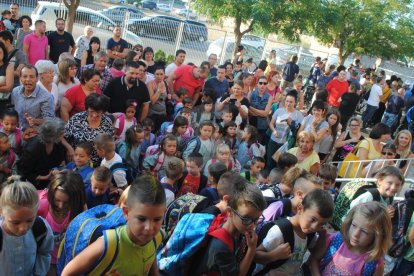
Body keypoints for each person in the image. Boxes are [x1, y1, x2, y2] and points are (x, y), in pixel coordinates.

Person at [61, 174, 166, 275]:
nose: (149, 228)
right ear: (126, 212)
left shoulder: (157, 237)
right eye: (141, 219)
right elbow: (68, 272)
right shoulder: (109, 244)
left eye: (157, 219)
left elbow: (150, 262)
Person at [193, 179, 266, 275]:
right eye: (246, 218)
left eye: (257, 219)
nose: (252, 225)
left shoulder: (236, 228)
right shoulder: (221, 245)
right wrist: (252, 249)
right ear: (230, 212)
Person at [254, 189, 334, 275]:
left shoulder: (309, 234)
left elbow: (317, 255)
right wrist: (273, 255)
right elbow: (255, 256)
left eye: (321, 224)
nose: (315, 227)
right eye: (313, 219)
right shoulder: (281, 231)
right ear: (300, 209)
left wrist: (322, 236)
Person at [311, 201, 392, 276]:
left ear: (377, 237)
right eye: (354, 225)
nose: (355, 234)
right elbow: (314, 260)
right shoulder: (335, 240)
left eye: (364, 231)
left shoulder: (373, 263)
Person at [0, 176, 54, 276]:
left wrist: (38, 273)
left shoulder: (40, 228)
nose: (23, 228)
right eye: (15, 222)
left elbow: (44, 252)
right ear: (1, 212)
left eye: (30, 220)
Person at [37, 170, 86, 275]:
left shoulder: (79, 211)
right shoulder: (41, 207)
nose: (61, 206)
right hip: (45, 262)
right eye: (57, 200)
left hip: (67, 261)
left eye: (67, 202)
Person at [64, 93, 113, 167]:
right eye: (91, 111)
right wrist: (69, 148)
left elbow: (109, 143)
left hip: (98, 164)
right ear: (87, 108)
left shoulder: (107, 122)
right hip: (77, 162)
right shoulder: (77, 119)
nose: (94, 115)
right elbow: (63, 136)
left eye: (98, 112)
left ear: (103, 111)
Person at [18, 118, 66, 189]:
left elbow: (60, 161)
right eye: (62, 133)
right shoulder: (32, 150)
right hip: (34, 184)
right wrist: (45, 177)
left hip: (53, 177)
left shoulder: (57, 143)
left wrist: (55, 170)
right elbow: (24, 173)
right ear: (54, 136)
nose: (64, 134)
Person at [267, 91, 304, 169]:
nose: (288, 103)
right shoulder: (279, 111)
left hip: (286, 143)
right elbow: (271, 123)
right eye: (287, 101)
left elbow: (300, 130)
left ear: (295, 103)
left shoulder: (298, 115)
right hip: (273, 140)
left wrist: (292, 124)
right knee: (269, 162)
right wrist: (274, 131)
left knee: (281, 164)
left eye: (291, 102)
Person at [11, 64, 54, 129]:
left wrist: (34, 121)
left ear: (37, 79)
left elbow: (49, 121)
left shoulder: (47, 97)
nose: (28, 79)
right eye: (25, 76)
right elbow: (13, 112)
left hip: (37, 134)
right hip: (17, 132)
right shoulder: (15, 92)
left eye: (31, 77)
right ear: (20, 78)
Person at [248, 75, 273, 143]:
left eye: (265, 83)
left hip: (262, 126)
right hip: (250, 123)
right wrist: (260, 113)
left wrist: (251, 108)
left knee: (258, 146)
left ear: (267, 85)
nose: (262, 85)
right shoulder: (251, 93)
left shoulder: (269, 97)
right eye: (260, 83)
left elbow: (266, 113)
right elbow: (247, 110)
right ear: (257, 84)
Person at [147, 65, 168, 131]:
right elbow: (152, 101)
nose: (159, 76)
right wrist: (158, 90)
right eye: (157, 74)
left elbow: (165, 98)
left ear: (164, 75)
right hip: (153, 114)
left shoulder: (165, 83)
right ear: (154, 75)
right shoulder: (150, 84)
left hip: (163, 113)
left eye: (161, 74)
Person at [0, 40, 14, 108]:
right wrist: (3, 83)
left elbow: (9, 87)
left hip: (4, 102)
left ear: (3, 52)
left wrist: (6, 84)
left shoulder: (9, 66)